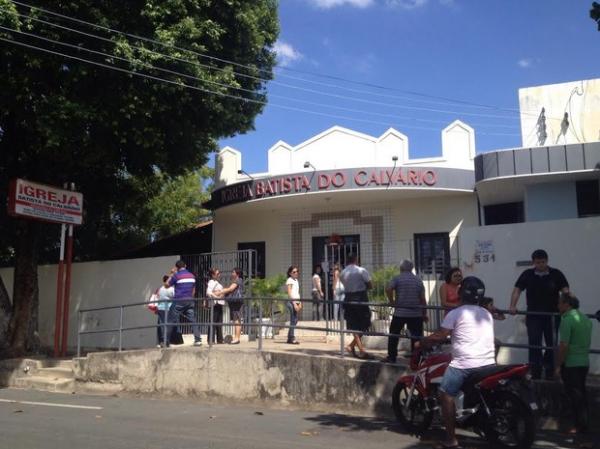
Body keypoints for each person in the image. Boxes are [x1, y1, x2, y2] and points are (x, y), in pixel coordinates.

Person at [419, 276, 496, 449]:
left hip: (464, 365)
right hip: (489, 364)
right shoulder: (486, 314)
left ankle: (451, 440)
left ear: (461, 293)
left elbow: (440, 336)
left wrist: (422, 342)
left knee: (445, 394)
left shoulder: (455, 313)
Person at [510, 249, 569, 379]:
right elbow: (517, 290)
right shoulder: (527, 274)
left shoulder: (556, 274)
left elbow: (566, 291)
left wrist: (568, 307)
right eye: (538, 262)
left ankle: (549, 371)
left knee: (551, 344)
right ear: (533, 262)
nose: (541, 265)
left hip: (552, 316)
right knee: (534, 343)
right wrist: (512, 306)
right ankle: (535, 370)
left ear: (547, 261)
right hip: (534, 315)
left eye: (543, 262)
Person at [555, 294, 592, 434]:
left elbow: (564, 345)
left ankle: (580, 425)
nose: (558, 306)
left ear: (567, 304)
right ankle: (583, 423)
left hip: (571, 363)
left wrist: (558, 365)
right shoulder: (585, 319)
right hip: (584, 361)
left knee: (575, 396)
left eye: (560, 303)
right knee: (581, 394)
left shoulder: (567, 320)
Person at [382, 259, 428, 363]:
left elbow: (388, 288)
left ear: (401, 268)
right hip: (416, 313)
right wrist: (424, 313)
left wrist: (392, 301)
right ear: (412, 268)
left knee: (394, 334)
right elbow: (423, 299)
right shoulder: (418, 280)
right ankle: (416, 359)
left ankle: (392, 357)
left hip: (400, 313)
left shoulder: (397, 278)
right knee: (416, 337)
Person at [340, 254, 372, 359]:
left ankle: (352, 346)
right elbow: (370, 285)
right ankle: (361, 350)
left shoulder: (343, 273)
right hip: (360, 298)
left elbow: (344, 284)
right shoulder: (361, 270)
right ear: (355, 260)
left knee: (353, 324)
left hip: (348, 298)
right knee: (366, 323)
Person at [166, 260, 202, 346]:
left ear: (177, 267)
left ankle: (165, 341)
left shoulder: (176, 275)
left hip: (179, 301)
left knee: (170, 320)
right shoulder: (192, 276)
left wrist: (171, 274)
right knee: (193, 320)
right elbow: (193, 290)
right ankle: (198, 340)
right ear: (185, 266)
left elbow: (166, 285)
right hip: (189, 300)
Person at [220, 268, 245, 344]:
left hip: (236, 302)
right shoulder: (238, 280)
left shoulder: (238, 280)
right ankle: (236, 338)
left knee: (237, 320)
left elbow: (230, 289)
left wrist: (220, 291)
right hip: (235, 303)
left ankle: (237, 338)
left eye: (233, 272)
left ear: (237, 273)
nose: (232, 273)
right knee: (236, 320)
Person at [206, 268, 224, 344]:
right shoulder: (211, 282)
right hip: (215, 304)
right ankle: (211, 340)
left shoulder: (217, 282)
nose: (219, 275)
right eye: (217, 274)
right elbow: (208, 292)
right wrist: (216, 297)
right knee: (213, 322)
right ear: (213, 275)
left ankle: (219, 340)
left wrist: (221, 295)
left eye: (219, 273)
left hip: (219, 304)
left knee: (219, 322)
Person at [156, 275, 174, 347]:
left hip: (160, 308)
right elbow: (175, 297)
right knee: (168, 325)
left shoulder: (160, 289)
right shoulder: (171, 289)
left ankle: (161, 342)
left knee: (161, 325)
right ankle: (166, 341)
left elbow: (157, 297)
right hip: (168, 309)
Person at [286, 266, 302, 344]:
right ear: (290, 273)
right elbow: (289, 293)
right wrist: (294, 303)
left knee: (295, 320)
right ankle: (292, 338)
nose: (296, 273)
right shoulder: (289, 280)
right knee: (293, 320)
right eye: (294, 272)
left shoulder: (296, 281)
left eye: (297, 271)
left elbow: (297, 293)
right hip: (291, 302)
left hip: (296, 301)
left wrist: (300, 302)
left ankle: (289, 337)